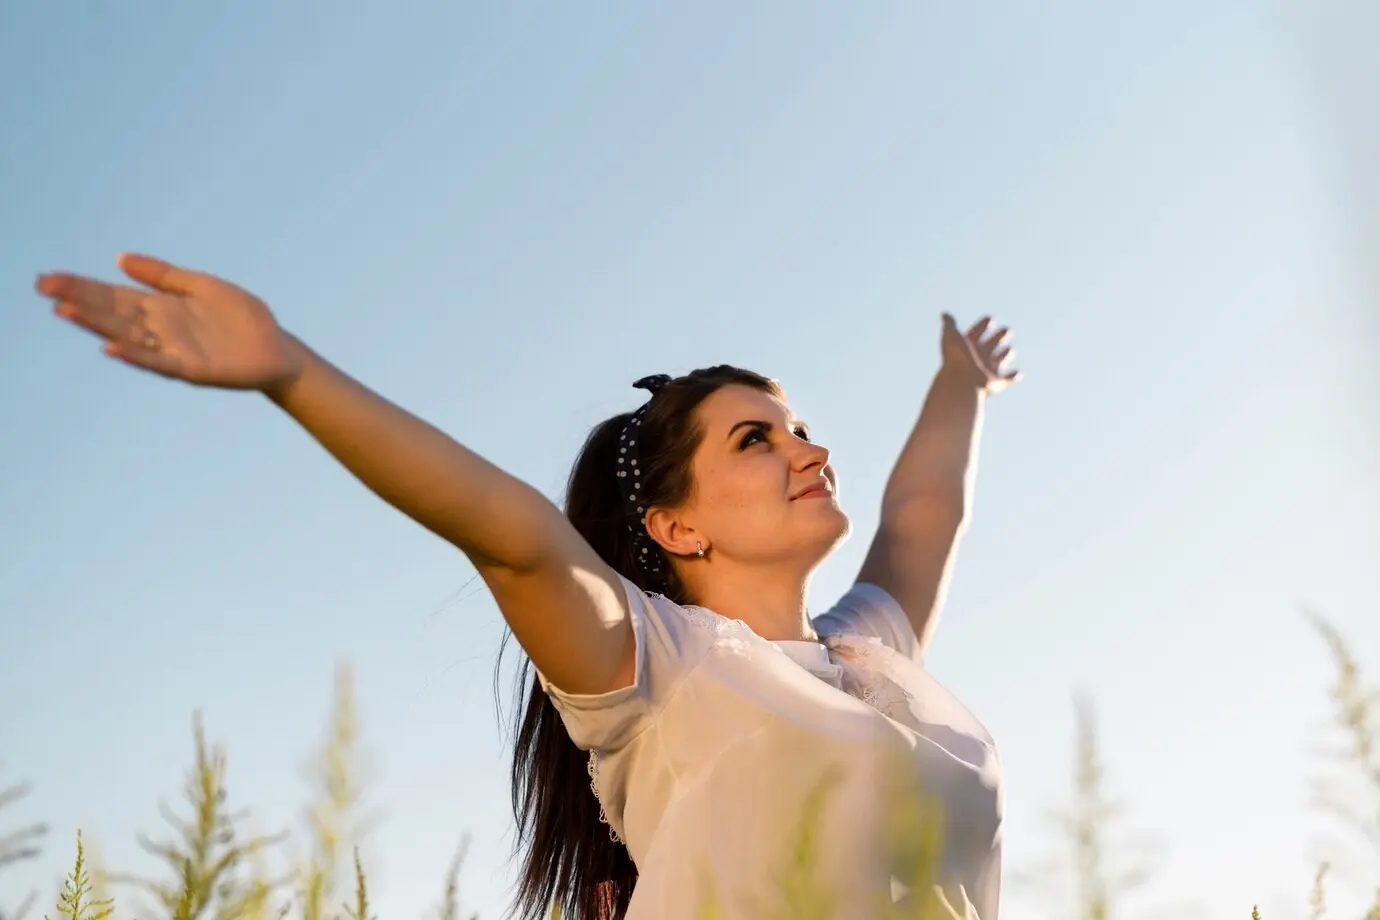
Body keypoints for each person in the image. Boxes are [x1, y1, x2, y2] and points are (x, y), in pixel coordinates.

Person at [36, 253, 1020, 920]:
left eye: (799, 428)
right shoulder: (664, 664)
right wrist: (292, 371)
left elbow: (921, 513)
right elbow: (512, 538)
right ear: (675, 526)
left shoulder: (872, 656)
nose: (809, 451)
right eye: (756, 439)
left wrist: (961, 381)